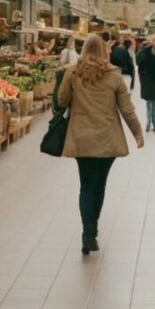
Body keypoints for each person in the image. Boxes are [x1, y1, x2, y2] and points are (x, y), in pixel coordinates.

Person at [58, 35, 144, 255]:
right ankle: (92, 231)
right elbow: (127, 109)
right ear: (105, 51)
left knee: (86, 185)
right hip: (107, 137)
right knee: (99, 185)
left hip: (81, 137)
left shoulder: (73, 72)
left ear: (84, 49)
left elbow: (61, 101)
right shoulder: (113, 76)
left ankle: (88, 232)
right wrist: (137, 133)